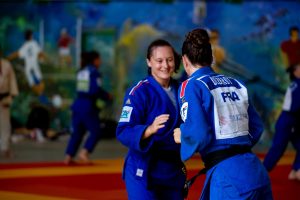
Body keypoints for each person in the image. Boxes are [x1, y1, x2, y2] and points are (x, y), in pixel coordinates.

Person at [173, 28, 273, 199]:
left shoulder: (191, 85)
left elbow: (199, 136)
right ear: (212, 58)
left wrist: (182, 135)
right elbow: (256, 127)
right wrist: (236, 143)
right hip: (256, 171)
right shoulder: (236, 83)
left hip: (228, 179)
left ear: (184, 60)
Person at [116, 39, 186, 200]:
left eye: (169, 60)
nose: (165, 65)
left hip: (172, 169)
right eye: (159, 61)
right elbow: (123, 130)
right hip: (144, 168)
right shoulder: (138, 92)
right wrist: (149, 129)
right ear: (149, 62)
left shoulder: (183, 90)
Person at [64, 50, 112, 164]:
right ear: (95, 60)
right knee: (96, 131)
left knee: (77, 132)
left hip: (77, 105)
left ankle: (68, 156)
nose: (100, 62)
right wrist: (107, 96)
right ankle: (84, 152)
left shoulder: (81, 71)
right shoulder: (94, 72)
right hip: (87, 106)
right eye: (99, 59)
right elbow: (95, 90)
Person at [263, 63, 300, 181]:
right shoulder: (296, 85)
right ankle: (263, 172)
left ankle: (296, 170)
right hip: (288, 120)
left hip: (294, 120)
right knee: (278, 147)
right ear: (295, 72)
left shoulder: (295, 85)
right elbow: (296, 107)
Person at [8, 29, 45, 97]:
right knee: (41, 82)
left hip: (28, 68)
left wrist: (7, 58)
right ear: (31, 36)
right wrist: (42, 58)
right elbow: (40, 54)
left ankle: (39, 94)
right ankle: (40, 94)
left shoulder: (24, 46)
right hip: (35, 67)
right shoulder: (34, 43)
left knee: (33, 85)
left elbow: (16, 54)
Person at [0, 45, 19, 158]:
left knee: (5, 125)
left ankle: (6, 149)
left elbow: (12, 80)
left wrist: (12, 96)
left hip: (4, 98)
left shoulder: (7, 65)